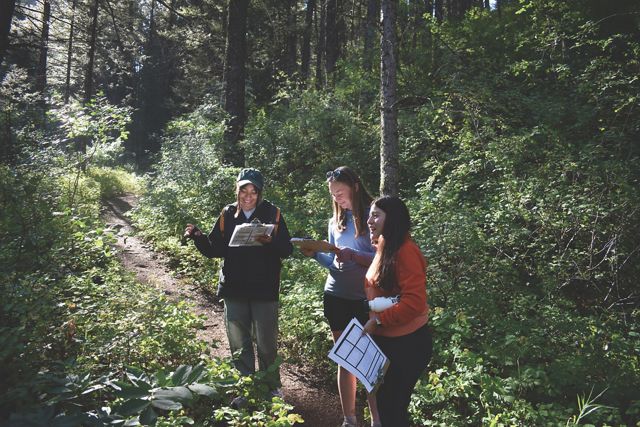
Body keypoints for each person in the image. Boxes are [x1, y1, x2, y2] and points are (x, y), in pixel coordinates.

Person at [183, 168, 293, 399]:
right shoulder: (228, 213)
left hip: (264, 289)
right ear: (238, 190)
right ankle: (245, 386)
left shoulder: (272, 213)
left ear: (260, 193)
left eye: (253, 191)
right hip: (234, 287)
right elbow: (216, 249)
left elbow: (287, 249)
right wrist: (198, 237)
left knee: (266, 342)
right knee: (238, 341)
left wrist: (270, 241)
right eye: (244, 190)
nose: (248, 196)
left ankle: (271, 386)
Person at [300, 166, 381, 427]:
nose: (337, 198)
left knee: (369, 361)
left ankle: (377, 420)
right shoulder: (336, 220)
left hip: (365, 298)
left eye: (340, 193)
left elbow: (384, 259)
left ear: (355, 187)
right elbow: (334, 261)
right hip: (335, 295)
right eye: (333, 195)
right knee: (346, 357)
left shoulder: (374, 217)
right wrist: (315, 254)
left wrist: (354, 255)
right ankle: (349, 419)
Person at [362, 196, 433, 427]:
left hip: (408, 345)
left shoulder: (406, 251)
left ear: (391, 219)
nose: (369, 220)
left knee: (393, 410)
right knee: (386, 405)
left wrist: (379, 321)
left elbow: (414, 303)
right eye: (370, 214)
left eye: (376, 215)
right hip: (387, 342)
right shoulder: (386, 244)